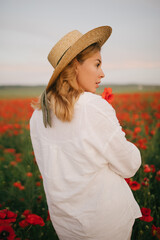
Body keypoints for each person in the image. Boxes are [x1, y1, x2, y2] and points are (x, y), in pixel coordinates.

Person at [30, 26, 142, 240]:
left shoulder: (37, 116)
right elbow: (129, 165)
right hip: (106, 224)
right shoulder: (92, 106)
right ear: (74, 66)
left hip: (66, 226)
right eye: (97, 64)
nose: (102, 73)